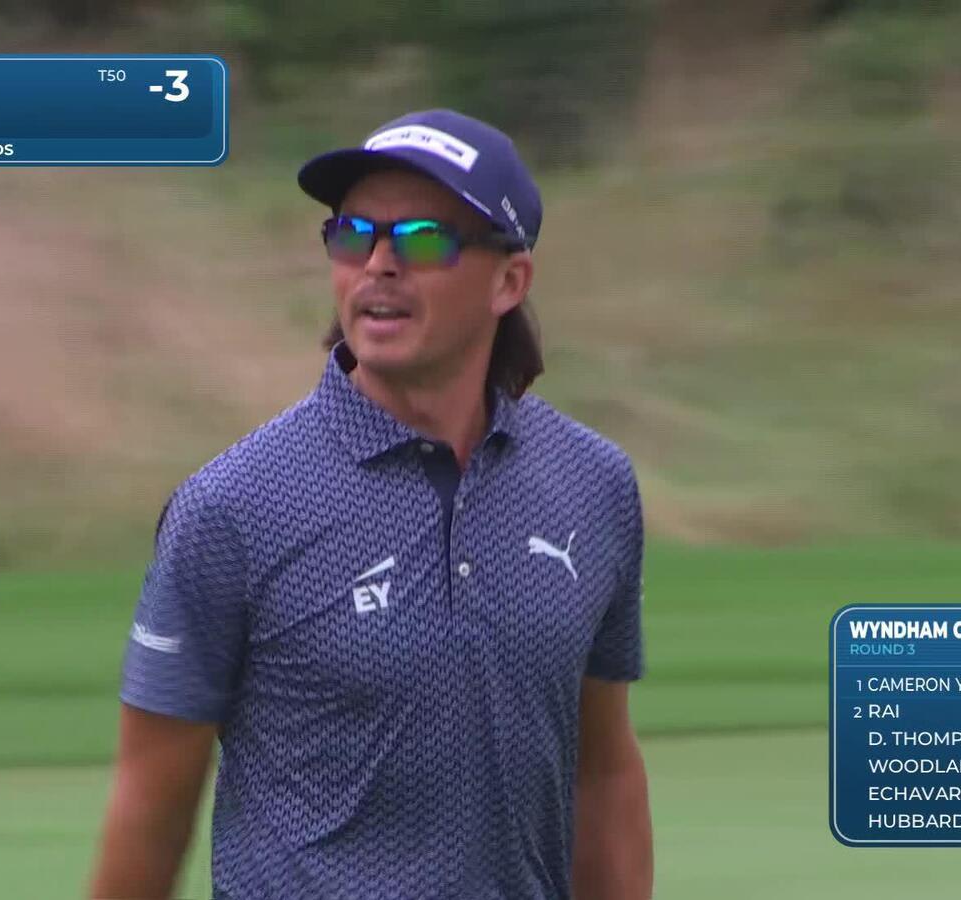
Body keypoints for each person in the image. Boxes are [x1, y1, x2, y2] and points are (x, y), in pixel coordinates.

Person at [89, 108, 653, 900]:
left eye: (423, 240)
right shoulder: (233, 507)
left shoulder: (593, 484)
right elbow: (150, 812)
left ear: (509, 280)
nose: (379, 265)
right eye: (354, 235)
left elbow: (604, 771)